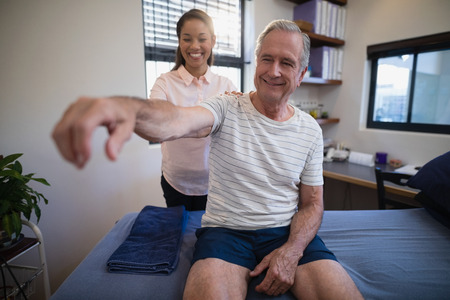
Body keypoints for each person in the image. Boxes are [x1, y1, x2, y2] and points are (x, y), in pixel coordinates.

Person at [52, 19, 363, 299]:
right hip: (225, 233)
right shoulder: (226, 107)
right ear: (256, 62)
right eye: (266, 59)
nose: (273, 71)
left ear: (302, 74)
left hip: (286, 233)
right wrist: (128, 109)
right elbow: (175, 120)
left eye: (287, 62)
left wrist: (292, 251)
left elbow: (312, 204)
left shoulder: (309, 129)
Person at [151, 9, 236, 211]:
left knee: (208, 239)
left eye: (202, 39)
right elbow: (156, 119)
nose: (195, 46)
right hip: (175, 182)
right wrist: (208, 125)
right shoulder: (165, 82)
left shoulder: (226, 85)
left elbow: (235, 129)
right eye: (187, 39)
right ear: (179, 42)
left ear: (213, 41)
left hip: (216, 184)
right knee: (179, 237)